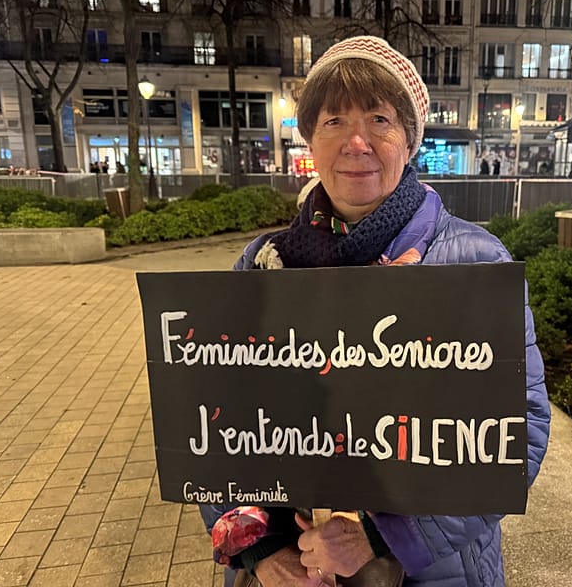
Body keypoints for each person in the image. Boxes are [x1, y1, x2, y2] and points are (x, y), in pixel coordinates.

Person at [199, 35, 550, 587]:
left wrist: (381, 538)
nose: (356, 141)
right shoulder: (263, 264)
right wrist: (259, 551)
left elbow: (517, 435)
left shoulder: (474, 263)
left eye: (380, 120)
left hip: (433, 573)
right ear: (310, 139)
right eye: (334, 120)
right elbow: (217, 421)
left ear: (409, 140)